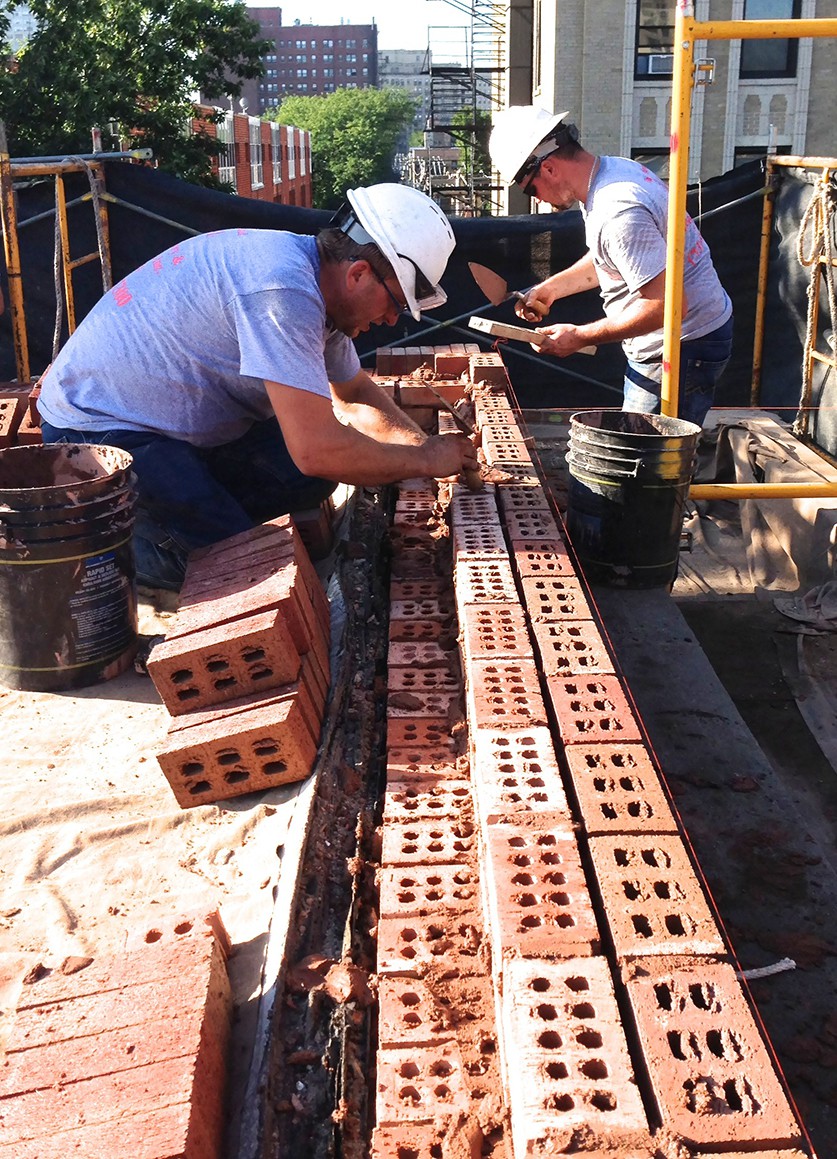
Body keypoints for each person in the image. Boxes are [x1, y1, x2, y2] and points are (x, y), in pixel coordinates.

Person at [38, 183, 477, 590]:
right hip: (100, 430)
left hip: (170, 421)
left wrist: (423, 453)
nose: (391, 319)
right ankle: (100, 547)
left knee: (308, 481)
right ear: (359, 273)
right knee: (235, 567)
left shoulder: (321, 290)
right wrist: (421, 460)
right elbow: (316, 449)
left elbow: (355, 394)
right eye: (397, 302)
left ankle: (190, 515)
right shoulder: (282, 291)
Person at [488, 106, 733, 426]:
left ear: (548, 168)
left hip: (682, 346)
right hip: (693, 333)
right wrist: (551, 289)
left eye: (530, 189)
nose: (536, 199)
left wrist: (579, 336)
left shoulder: (617, 210)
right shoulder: (613, 173)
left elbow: (666, 308)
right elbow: (616, 256)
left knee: (646, 463)